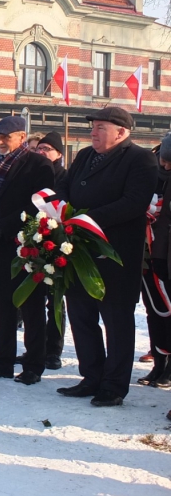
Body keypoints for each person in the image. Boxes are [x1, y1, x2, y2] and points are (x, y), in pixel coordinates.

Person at [55, 106, 157, 407]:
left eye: (100, 127)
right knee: (81, 316)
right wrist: (58, 207)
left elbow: (134, 203)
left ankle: (113, 386)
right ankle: (91, 376)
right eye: (93, 126)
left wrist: (87, 219)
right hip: (78, 250)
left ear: (121, 132)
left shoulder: (141, 159)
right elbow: (64, 186)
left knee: (116, 321)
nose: (93, 132)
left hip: (116, 256)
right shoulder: (85, 155)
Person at [0, 115, 54, 385]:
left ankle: (33, 364)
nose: (2, 142)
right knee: (1, 304)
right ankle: (2, 361)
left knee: (31, 306)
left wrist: (4, 226)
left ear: (21, 137)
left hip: (28, 245)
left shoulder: (38, 164)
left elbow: (39, 204)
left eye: (7, 137)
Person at [32, 131, 68, 370]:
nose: (42, 152)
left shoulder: (65, 177)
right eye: (39, 148)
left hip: (58, 242)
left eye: (47, 149)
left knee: (54, 299)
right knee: (33, 299)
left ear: (59, 154)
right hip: (32, 241)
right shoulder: (31, 174)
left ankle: (53, 350)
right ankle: (34, 348)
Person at [139, 133, 171, 390]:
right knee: (154, 311)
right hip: (149, 255)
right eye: (163, 160)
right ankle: (159, 361)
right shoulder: (152, 168)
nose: (165, 166)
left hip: (166, 254)